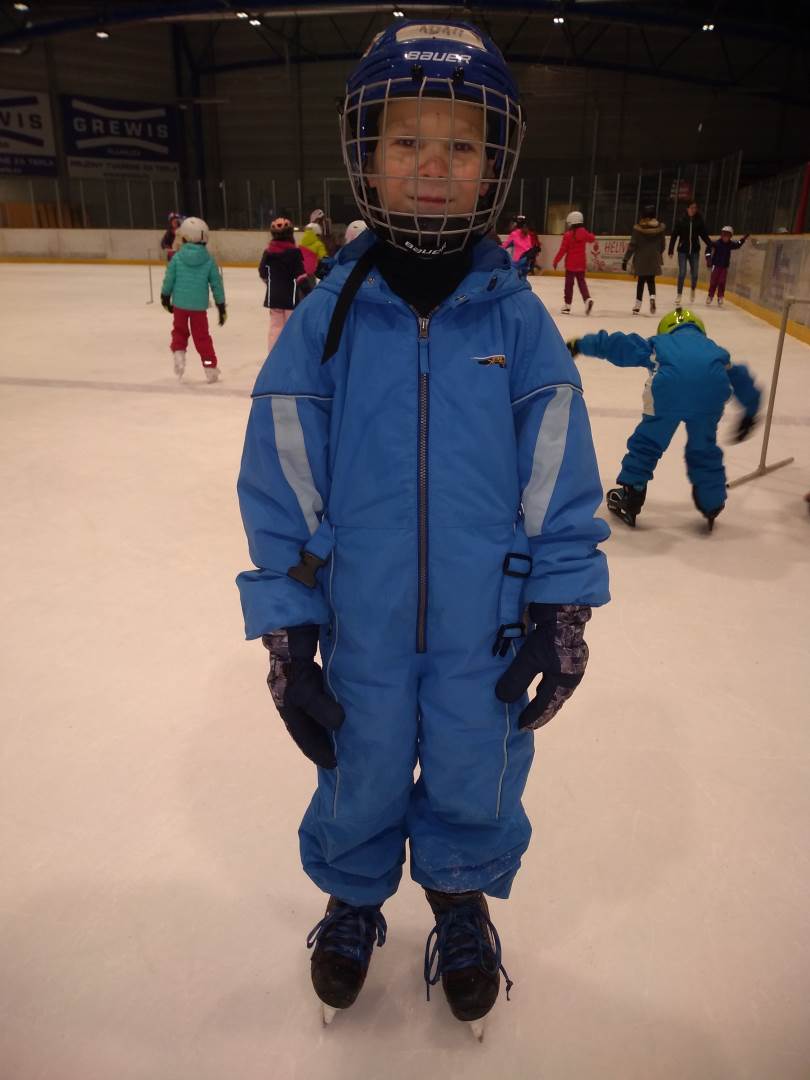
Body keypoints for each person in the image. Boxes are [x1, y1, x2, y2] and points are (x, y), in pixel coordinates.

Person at [236, 19, 609, 1036]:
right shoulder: (329, 316)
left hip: (484, 622)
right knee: (355, 764)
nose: (434, 166)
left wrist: (561, 607)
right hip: (359, 616)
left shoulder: (516, 319)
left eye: (460, 145)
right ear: (368, 156)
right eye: (407, 142)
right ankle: (354, 895)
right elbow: (284, 474)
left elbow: (557, 473)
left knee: (475, 763)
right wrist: (287, 622)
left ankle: (458, 894)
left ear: (493, 164)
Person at [566, 308, 761, 530]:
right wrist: (750, 412)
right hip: (710, 391)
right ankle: (712, 502)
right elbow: (741, 378)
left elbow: (619, 346)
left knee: (649, 442)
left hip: (669, 391)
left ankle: (632, 492)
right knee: (704, 448)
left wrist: (581, 344)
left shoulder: (659, 344)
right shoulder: (715, 350)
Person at [160, 216, 226, 383]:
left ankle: (179, 355)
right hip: (198, 307)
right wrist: (221, 305)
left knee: (179, 332)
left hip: (180, 305)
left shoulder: (177, 258)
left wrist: (165, 296)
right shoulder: (209, 260)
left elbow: (169, 278)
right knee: (202, 337)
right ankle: (210, 368)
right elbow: (216, 284)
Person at [259, 216, 309, 352]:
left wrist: (270, 284)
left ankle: (273, 355)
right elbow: (300, 275)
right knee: (290, 326)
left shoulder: (268, 252)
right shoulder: (295, 253)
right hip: (290, 297)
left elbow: (262, 272)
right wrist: (308, 291)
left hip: (274, 296)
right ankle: (289, 354)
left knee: (275, 327)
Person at [552, 210, 598, 315]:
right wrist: (588, 233)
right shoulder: (584, 233)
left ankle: (567, 305)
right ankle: (587, 299)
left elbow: (563, 250)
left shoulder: (568, 235)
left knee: (569, 285)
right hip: (581, 264)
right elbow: (592, 239)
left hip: (570, 264)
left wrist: (556, 261)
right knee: (582, 283)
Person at [622, 205, 666, 315]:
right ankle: (652, 298)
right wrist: (657, 253)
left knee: (641, 282)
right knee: (651, 281)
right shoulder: (659, 229)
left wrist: (625, 259)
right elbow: (663, 245)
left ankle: (637, 306)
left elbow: (632, 246)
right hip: (654, 258)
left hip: (641, 259)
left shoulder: (638, 229)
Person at [668, 201, 711, 307]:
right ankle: (679, 294)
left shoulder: (699, 221)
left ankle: (692, 289)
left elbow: (704, 235)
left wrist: (711, 244)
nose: (693, 210)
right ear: (687, 209)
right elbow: (674, 235)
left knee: (695, 274)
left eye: (695, 208)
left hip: (694, 251)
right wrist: (671, 250)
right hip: (682, 251)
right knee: (682, 273)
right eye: (691, 207)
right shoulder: (681, 220)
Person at [705, 226, 749, 306]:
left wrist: (743, 239)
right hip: (716, 266)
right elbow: (708, 248)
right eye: (724, 235)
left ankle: (720, 296)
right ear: (721, 235)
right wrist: (708, 259)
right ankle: (710, 296)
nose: (725, 237)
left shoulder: (730, 244)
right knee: (713, 282)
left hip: (724, 267)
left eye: (727, 236)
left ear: (730, 236)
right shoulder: (717, 243)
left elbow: (738, 245)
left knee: (721, 282)